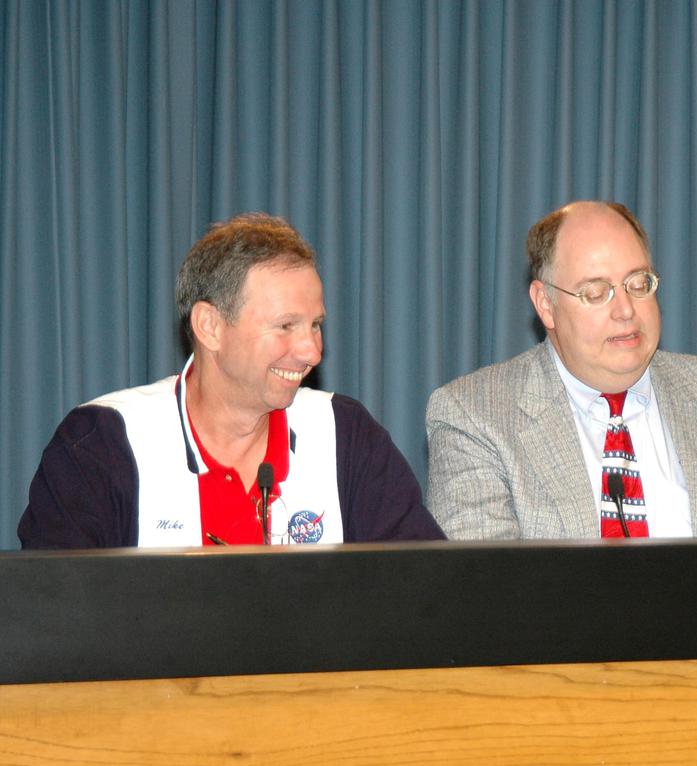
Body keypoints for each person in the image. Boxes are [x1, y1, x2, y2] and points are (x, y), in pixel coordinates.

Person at [19, 214, 445, 548]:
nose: (311, 351)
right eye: (285, 326)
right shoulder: (102, 444)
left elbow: (423, 596)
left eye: (315, 325)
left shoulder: (347, 436)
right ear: (209, 326)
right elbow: (56, 620)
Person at [426, 200, 697, 540]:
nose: (625, 310)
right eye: (596, 292)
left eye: (638, 284)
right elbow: (485, 597)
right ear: (545, 303)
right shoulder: (475, 416)